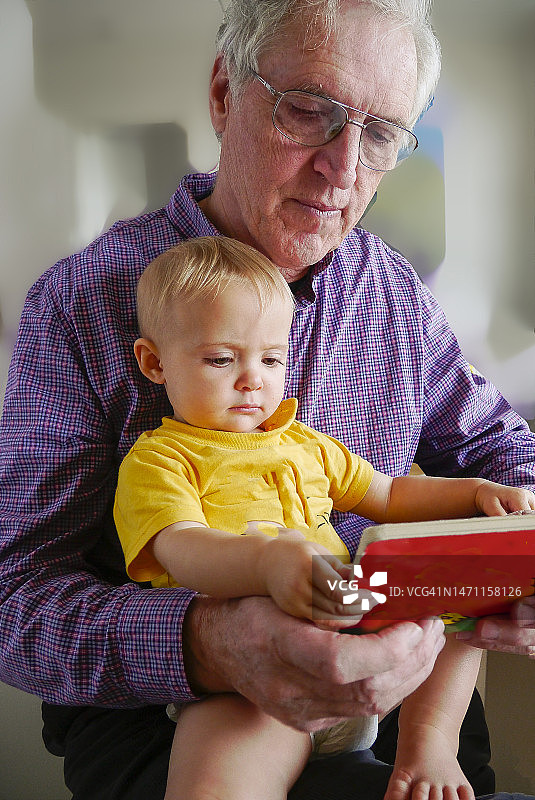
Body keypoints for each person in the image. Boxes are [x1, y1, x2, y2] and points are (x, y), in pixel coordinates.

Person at [0, 1, 534, 799]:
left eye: (381, 133)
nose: (343, 166)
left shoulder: (393, 293)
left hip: (390, 667)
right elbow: (18, 600)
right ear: (224, 93)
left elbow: (503, 457)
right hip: (176, 706)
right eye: (310, 111)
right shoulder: (79, 303)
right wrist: (212, 641)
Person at [114, 234, 534, 800]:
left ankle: (428, 744)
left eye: (270, 359)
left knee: (459, 585)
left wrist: (476, 492)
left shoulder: (304, 443)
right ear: (154, 362)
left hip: (356, 615)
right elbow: (179, 545)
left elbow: (386, 495)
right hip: (252, 682)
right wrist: (265, 565)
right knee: (216, 777)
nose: (252, 379)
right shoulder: (161, 457)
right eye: (221, 359)